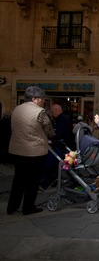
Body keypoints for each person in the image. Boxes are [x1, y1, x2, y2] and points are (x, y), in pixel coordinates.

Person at [7, 86, 55, 215]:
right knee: (32, 181)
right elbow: (49, 130)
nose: (44, 100)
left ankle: (12, 206)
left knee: (18, 179)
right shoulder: (40, 112)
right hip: (34, 150)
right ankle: (28, 207)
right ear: (34, 99)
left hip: (17, 149)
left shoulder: (16, 109)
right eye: (42, 98)